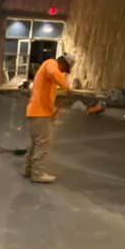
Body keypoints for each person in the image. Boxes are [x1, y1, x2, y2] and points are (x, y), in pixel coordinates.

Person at [24, 54, 72, 183]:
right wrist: (67, 86)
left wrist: (53, 110)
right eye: (65, 69)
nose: (63, 73)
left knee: (36, 143)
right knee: (42, 143)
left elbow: (47, 94)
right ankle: (37, 173)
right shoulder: (51, 63)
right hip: (40, 113)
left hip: (36, 112)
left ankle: (28, 169)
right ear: (63, 63)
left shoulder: (47, 69)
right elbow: (54, 73)